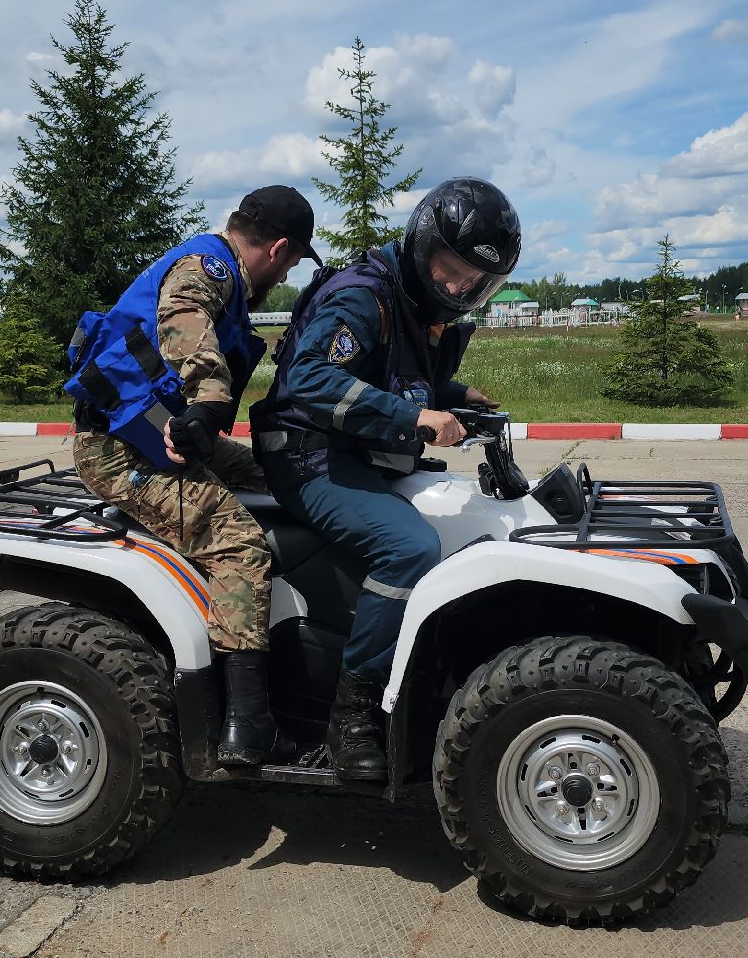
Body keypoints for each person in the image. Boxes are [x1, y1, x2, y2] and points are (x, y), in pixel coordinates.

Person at [250, 177, 518, 779]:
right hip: (307, 453)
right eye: (449, 270)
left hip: (354, 450)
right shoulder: (363, 297)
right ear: (423, 247)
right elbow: (310, 379)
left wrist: (455, 395)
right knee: (409, 547)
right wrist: (413, 416)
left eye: (472, 280)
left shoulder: (418, 305)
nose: (457, 286)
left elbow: (390, 375)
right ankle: (353, 714)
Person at [65, 185, 319, 767]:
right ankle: (248, 725)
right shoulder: (207, 266)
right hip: (118, 455)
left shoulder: (223, 272)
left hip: (158, 445)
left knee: (272, 475)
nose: (281, 281)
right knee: (237, 542)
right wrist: (208, 396)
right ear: (278, 249)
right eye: (289, 266)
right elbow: (183, 314)